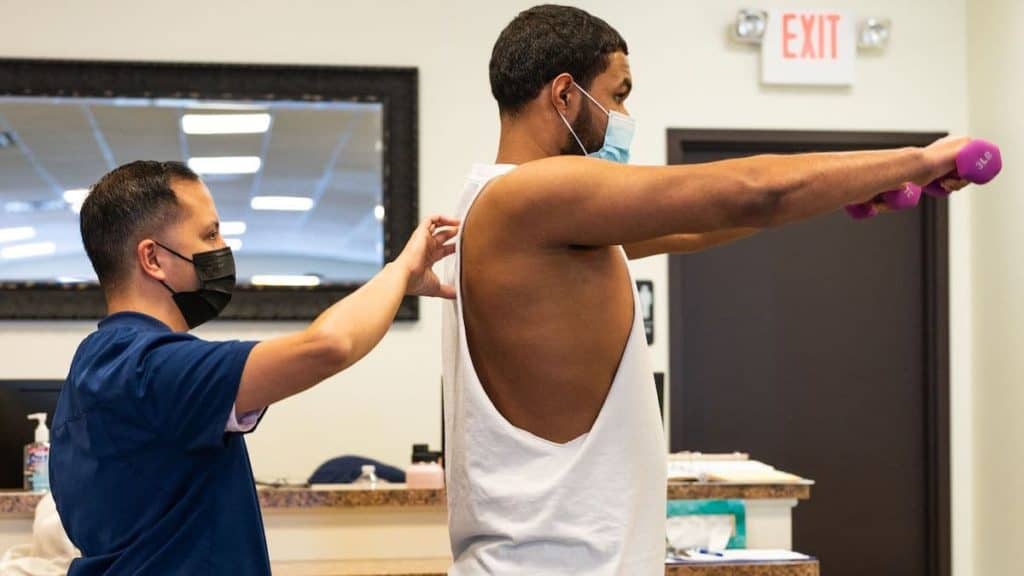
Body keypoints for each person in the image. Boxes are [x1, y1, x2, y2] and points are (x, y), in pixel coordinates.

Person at [441, 4, 975, 574]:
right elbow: (749, 191)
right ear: (566, 95)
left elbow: (695, 225)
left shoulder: (503, 208)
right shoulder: (530, 195)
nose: (624, 115)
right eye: (617, 95)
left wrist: (840, 192)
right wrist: (915, 161)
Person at [49, 160, 457, 575]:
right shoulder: (150, 368)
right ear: (152, 258)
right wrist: (402, 271)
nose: (223, 247)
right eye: (209, 234)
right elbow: (328, 346)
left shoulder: (93, 367)